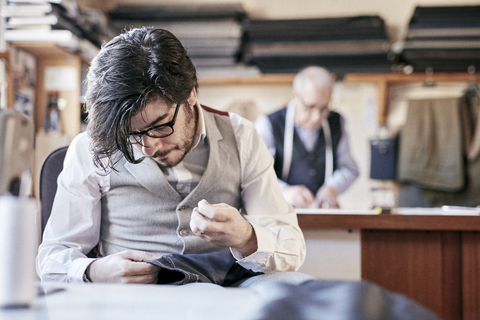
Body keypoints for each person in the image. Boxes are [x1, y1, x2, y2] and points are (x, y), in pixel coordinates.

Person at [36, 27, 306, 284]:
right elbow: (52, 257)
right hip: (133, 303)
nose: (149, 147)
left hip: (226, 298)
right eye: (131, 135)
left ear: (190, 94)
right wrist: (94, 270)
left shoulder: (242, 136)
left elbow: (292, 248)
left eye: (160, 125)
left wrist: (246, 237)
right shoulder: (91, 146)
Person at [255, 66, 359, 209]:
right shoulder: (269, 124)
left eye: (324, 108)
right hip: (278, 213)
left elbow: (349, 168)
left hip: (320, 213)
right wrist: (284, 191)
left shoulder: (336, 122)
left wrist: (333, 187)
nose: (317, 117)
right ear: (295, 95)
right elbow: (255, 174)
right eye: (310, 107)